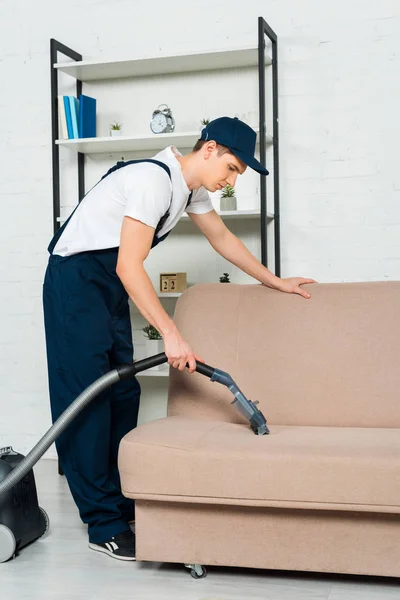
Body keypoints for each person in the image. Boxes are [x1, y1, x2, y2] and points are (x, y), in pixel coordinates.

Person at [42, 116, 315, 561]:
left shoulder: (190, 189)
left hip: (106, 285)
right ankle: (101, 523)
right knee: (87, 397)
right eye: (231, 168)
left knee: (122, 390)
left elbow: (222, 238)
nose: (231, 181)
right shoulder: (153, 180)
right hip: (77, 281)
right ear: (208, 149)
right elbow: (129, 266)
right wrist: (172, 335)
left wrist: (275, 281)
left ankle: (115, 499)